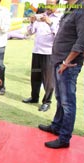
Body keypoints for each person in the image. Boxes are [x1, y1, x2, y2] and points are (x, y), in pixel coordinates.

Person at [38, 0, 84, 149]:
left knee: (67, 102)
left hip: (68, 64)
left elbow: (82, 41)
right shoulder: (71, 8)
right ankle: (57, 126)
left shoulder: (81, 8)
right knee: (60, 98)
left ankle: (64, 138)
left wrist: (66, 61)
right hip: (60, 61)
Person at [22, 0, 61, 112]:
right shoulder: (41, 16)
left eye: (51, 4)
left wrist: (50, 23)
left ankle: (47, 102)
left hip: (49, 53)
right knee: (35, 76)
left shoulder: (59, 18)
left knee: (48, 80)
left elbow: (59, 35)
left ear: (57, 4)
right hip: (37, 51)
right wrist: (32, 22)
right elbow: (30, 32)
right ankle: (34, 97)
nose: (48, 6)